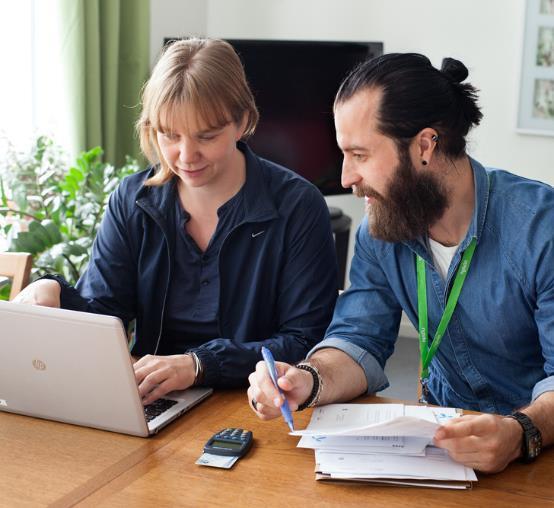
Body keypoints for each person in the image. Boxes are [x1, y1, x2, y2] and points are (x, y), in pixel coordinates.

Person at [248, 53, 554, 473]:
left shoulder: (541, 229)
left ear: (425, 146)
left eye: (359, 154)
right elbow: (358, 339)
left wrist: (521, 433)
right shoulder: (380, 230)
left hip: (538, 451)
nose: (345, 177)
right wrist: (307, 379)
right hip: (444, 449)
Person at [14, 38, 338, 406]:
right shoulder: (133, 200)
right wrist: (56, 293)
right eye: (169, 135)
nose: (186, 156)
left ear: (243, 120)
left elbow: (304, 340)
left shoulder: (297, 206)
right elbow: (105, 316)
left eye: (207, 136)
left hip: (259, 406)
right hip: (156, 400)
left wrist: (198, 365)